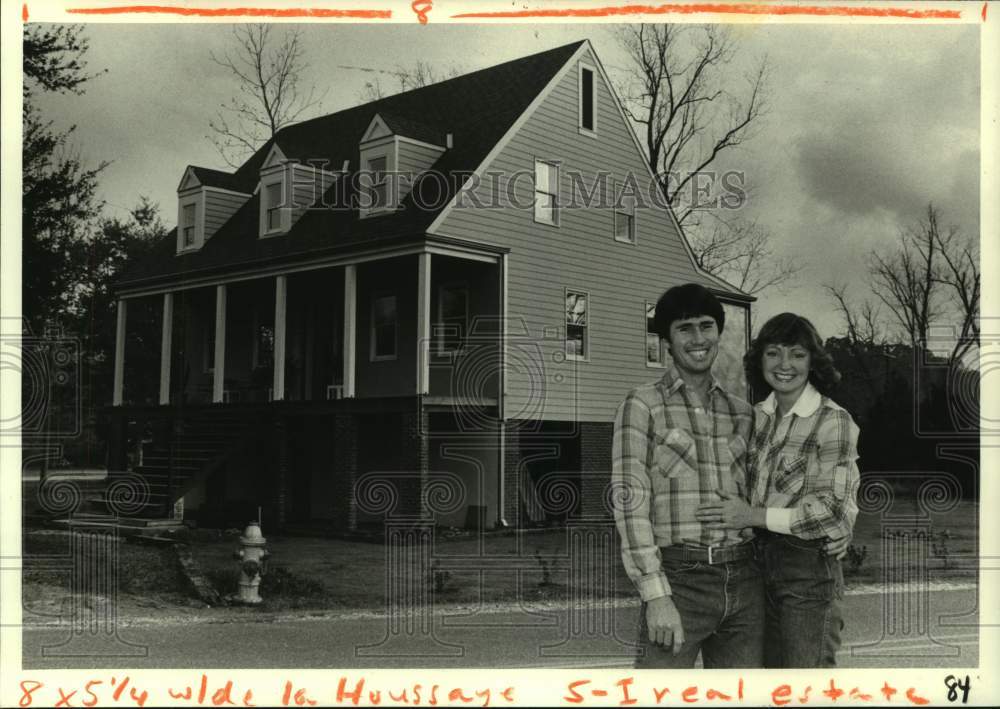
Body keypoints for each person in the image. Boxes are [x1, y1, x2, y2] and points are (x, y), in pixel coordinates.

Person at [696, 312, 860, 668]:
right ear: (760, 360)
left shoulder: (833, 420)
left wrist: (751, 515)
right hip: (754, 566)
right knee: (766, 684)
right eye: (773, 353)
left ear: (813, 362)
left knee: (805, 684)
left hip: (807, 569)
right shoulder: (755, 418)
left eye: (797, 354)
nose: (784, 365)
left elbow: (831, 508)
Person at [612, 283, 761, 668]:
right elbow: (630, 504)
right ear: (667, 340)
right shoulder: (642, 404)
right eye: (685, 328)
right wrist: (656, 595)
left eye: (706, 326)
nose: (698, 338)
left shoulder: (742, 413)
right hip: (679, 580)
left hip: (745, 579)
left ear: (718, 332)